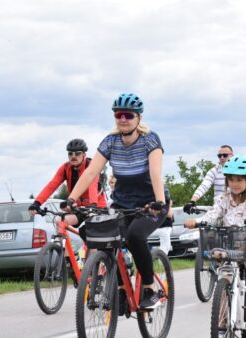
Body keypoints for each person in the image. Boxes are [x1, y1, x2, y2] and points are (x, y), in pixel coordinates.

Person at [64, 93, 168, 309]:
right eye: (118, 114)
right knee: (96, 233)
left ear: (138, 117)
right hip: (122, 203)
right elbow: (91, 172)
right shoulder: (110, 141)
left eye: (128, 115)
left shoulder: (150, 140)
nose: (123, 119)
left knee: (135, 236)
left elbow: (155, 173)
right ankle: (120, 288)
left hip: (150, 202)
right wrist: (72, 197)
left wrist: (159, 201)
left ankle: (150, 289)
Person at [184, 156, 246, 306]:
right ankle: (222, 320)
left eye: (239, 180)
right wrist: (196, 222)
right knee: (223, 272)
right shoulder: (223, 199)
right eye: (231, 180)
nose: (234, 184)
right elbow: (212, 215)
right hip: (229, 242)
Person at [28, 139, 107, 225]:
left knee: (94, 233)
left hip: (97, 207)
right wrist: (37, 203)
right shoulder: (65, 168)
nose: (73, 156)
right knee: (60, 221)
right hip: (78, 208)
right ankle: (63, 238)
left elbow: (92, 185)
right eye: (70, 153)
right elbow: (52, 185)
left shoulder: (91, 166)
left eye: (77, 153)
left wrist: (93, 205)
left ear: (84, 154)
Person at [183, 145, 234, 214]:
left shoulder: (239, 171)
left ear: (232, 155)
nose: (222, 157)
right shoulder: (214, 171)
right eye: (219, 155)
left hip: (236, 209)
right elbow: (204, 186)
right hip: (219, 210)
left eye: (225, 155)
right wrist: (192, 201)